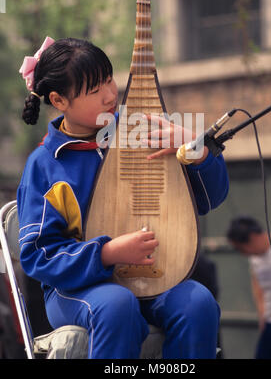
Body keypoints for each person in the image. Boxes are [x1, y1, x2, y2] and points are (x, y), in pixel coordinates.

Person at [17, 37, 229, 359]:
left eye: (108, 79)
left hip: (156, 278)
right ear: (60, 100)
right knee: (117, 305)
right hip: (78, 289)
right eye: (93, 89)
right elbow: (37, 256)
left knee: (198, 303)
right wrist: (108, 253)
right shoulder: (46, 164)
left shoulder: (138, 131)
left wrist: (196, 151)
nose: (110, 94)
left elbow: (208, 200)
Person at [227, 216, 271, 359]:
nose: (243, 253)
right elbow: (257, 283)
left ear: (253, 237)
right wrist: (262, 314)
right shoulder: (255, 258)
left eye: (241, 248)